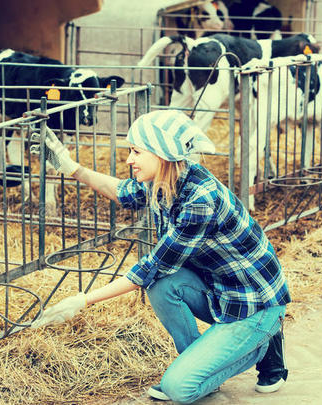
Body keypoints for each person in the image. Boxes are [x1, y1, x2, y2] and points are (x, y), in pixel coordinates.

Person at [31, 110, 290, 403]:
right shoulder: (166, 180)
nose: (129, 160)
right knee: (162, 285)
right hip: (222, 290)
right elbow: (121, 192)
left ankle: (262, 344)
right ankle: (199, 364)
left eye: (136, 151)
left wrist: (83, 300)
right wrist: (71, 167)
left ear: (163, 154)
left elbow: (150, 266)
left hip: (254, 302)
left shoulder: (199, 201)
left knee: (180, 389)